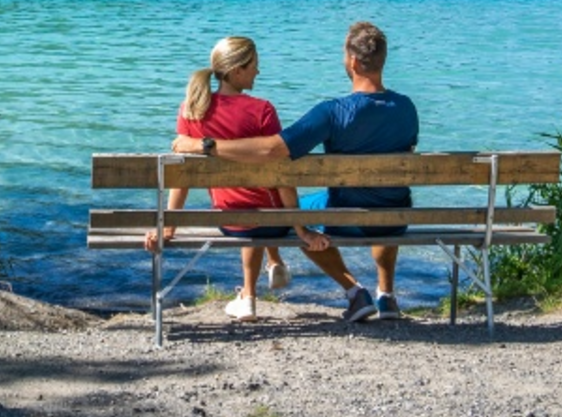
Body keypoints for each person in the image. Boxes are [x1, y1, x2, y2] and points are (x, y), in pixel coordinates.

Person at [172, 21, 417, 323]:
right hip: (396, 217)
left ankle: (355, 292)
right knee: (385, 195)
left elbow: (273, 151)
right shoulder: (407, 107)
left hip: (345, 216)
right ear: (383, 60)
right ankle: (387, 296)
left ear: (352, 61)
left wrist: (206, 146)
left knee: (296, 218)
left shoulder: (332, 112)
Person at [144, 36, 327, 321]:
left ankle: (250, 294)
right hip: (272, 224)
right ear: (237, 70)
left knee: (245, 204)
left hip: (228, 221)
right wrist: (300, 228)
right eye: (254, 66)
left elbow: (183, 176)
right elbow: (282, 178)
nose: (258, 72)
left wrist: (169, 225)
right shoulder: (262, 110)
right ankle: (269, 268)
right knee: (269, 202)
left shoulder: (191, 109)